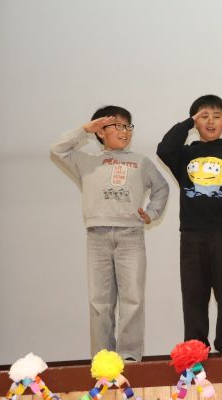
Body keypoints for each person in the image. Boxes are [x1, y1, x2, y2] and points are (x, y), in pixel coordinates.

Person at [50, 105, 169, 361]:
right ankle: (103, 359)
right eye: (117, 126)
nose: (124, 131)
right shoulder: (86, 160)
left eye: (128, 126)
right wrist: (84, 130)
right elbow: (57, 149)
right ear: (100, 131)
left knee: (133, 299)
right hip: (97, 236)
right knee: (99, 302)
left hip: (131, 236)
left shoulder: (140, 161)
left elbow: (162, 188)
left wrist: (152, 212)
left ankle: (129, 356)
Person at [157, 95, 222, 358]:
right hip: (192, 235)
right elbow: (164, 149)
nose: (210, 121)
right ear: (195, 122)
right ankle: (195, 348)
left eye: (216, 116)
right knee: (193, 296)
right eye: (204, 116)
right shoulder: (185, 154)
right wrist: (187, 123)